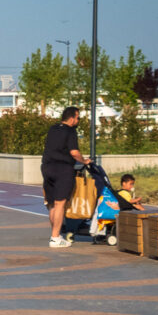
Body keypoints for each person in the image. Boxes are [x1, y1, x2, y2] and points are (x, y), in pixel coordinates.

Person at [41, 106, 91, 248]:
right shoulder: (71, 131)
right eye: (78, 118)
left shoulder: (53, 128)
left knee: (51, 204)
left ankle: (55, 235)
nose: (78, 120)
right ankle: (55, 238)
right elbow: (74, 152)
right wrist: (84, 161)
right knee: (60, 203)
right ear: (72, 118)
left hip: (47, 167)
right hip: (62, 169)